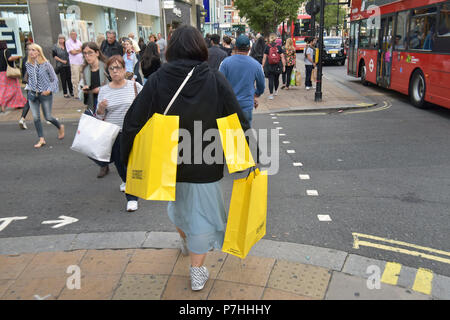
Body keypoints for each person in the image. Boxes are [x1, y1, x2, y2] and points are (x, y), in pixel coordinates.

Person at [121, 25, 250, 291]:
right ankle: (197, 269)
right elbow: (237, 118)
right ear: (199, 48)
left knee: (179, 209)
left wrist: (125, 155)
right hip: (207, 159)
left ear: (172, 49)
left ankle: (187, 240)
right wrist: (250, 156)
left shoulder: (157, 79)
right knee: (202, 216)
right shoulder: (214, 78)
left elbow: (133, 119)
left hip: (169, 162)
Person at [96, 55, 142, 212]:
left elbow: (145, 106)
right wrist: (101, 108)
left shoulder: (135, 86)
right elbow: (99, 116)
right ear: (108, 71)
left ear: (124, 69)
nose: (115, 71)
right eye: (111, 68)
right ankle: (125, 181)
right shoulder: (104, 90)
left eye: (118, 68)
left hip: (132, 132)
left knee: (132, 164)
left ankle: (132, 197)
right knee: (120, 164)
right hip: (113, 133)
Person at [219, 35, 265, 127]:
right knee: (244, 138)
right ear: (250, 48)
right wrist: (255, 95)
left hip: (227, 106)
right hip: (246, 106)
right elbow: (261, 86)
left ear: (235, 47)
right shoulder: (256, 65)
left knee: (229, 140)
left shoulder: (225, 63)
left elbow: (219, 84)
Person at [80, 42, 111, 178]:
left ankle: (117, 160)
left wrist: (102, 90)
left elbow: (114, 83)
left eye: (90, 53)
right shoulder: (85, 70)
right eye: (85, 53)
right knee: (97, 137)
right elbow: (81, 91)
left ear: (97, 53)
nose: (87, 56)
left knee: (110, 136)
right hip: (93, 105)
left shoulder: (106, 67)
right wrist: (85, 90)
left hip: (108, 105)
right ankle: (103, 165)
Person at [25, 43, 64, 148]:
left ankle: (60, 126)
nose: (31, 52)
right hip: (33, 94)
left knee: (48, 117)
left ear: (38, 52)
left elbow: (54, 79)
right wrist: (29, 88)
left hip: (45, 94)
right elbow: (30, 79)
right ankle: (41, 139)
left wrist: (49, 90)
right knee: (36, 118)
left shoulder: (46, 64)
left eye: (34, 50)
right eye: (29, 50)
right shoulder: (28, 64)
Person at [0, 40, 27, 113]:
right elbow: (10, 59)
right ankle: (4, 103)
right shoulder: (6, 51)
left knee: (3, 90)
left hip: (1, 74)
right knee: (14, 89)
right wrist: (18, 57)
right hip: (8, 74)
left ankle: (18, 103)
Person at [262, 33, 286, 100]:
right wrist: (284, 66)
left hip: (269, 65)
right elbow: (282, 57)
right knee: (276, 79)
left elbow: (264, 58)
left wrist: (262, 66)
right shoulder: (279, 47)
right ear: (276, 39)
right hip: (277, 66)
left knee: (270, 79)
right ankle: (276, 91)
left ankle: (271, 94)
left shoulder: (267, 46)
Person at [52, 34, 73, 98]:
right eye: (60, 39)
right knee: (63, 79)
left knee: (69, 79)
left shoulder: (67, 46)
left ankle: (71, 91)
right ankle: (65, 93)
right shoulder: (55, 46)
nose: (61, 40)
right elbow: (54, 56)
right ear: (58, 39)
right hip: (61, 65)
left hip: (68, 64)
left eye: (62, 39)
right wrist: (62, 61)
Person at [65, 30, 83, 99]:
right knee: (75, 79)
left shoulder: (79, 41)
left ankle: (82, 93)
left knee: (81, 79)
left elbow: (82, 49)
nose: (74, 36)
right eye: (72, 35)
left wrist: (77, 50)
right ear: (70, 35)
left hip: (81, 62)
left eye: (75, 35)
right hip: (74, 63)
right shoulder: (68, 42)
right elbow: (72, 52)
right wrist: (79, 50)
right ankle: (76, 94)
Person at [19, 40, 32, 129]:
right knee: (41, 99)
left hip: (29, 84)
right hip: (34, 84)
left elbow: (23, 71)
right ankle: (48, 117)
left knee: (30, 101)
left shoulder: (24, 59)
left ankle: (22, 118)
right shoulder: (32, 58)